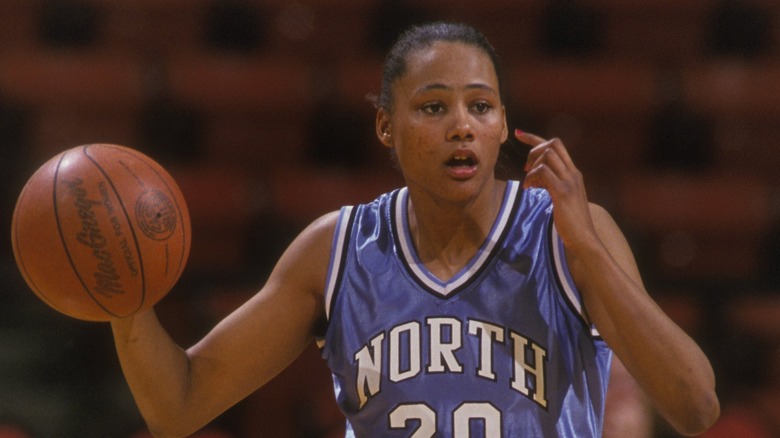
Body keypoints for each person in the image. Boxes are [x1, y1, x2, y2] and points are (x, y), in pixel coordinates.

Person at [111, 22, 719, 437]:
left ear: (504, 123)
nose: (461, 126)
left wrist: (585, 247)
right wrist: (122, 306)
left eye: (480, 106)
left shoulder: (569, 234)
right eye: (433, 108)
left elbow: (695, 407)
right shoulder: (337, 249)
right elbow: (180, 403)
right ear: (385, 125)